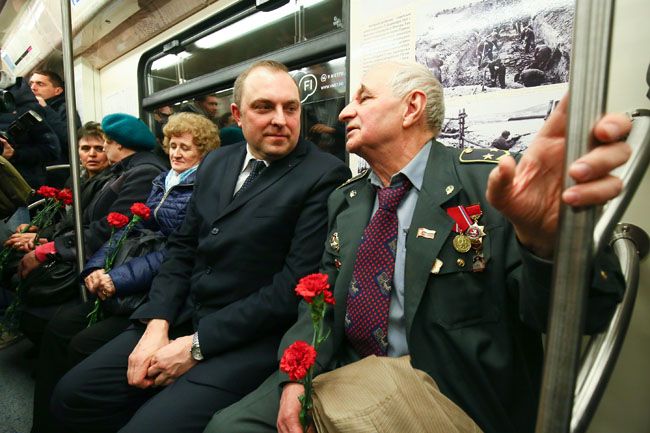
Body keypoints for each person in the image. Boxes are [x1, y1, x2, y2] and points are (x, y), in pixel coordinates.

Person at [204, 61, 631, 433]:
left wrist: (546, 243)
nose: (346, 110)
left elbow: (582, 316)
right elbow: (320, 301)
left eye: (364, 98)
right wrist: (295, 375)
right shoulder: (347, 199)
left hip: (447, 392)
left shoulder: (489, 187)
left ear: (411, 108)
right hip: (346, 373)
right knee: (229, 425)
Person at [52, 60, 351, 433]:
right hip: (181, 316)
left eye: (290, 108)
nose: (281, 119)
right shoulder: (217, 162)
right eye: (264, 107)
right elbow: (183, 248)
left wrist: (196, 345)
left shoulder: (322, 174)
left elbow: (292, 285)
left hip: (246, 338)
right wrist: (156, 323)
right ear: (239, 115)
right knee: (73, 392)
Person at [30, 112, 220, 433]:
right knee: (61, 330)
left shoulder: (200, 190)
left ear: (203, 152)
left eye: (185, 148)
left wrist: (115, 279)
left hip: (160, 287)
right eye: (172, 145)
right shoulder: (164, 182)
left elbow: (174, 254)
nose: (175, 153)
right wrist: (96, 268)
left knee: (80, 343)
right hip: (136, 275)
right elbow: (129, 230)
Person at [17, 113, 166, 346]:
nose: (102, 150)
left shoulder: (142, 172)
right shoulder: (122, 170)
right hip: (92, 250)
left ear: (118, 144)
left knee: (55, 320)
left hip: (113, 261)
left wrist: (55, 247)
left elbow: (114, 227)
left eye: (105, 143)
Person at [29, 70, 82, 187]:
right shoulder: (27, 111)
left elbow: (70, 140)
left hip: (56, 178)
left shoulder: (65, 109)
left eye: (40, 84)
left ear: (57, 90)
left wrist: (45, 109)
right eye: (31, 83)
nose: (33, 87)